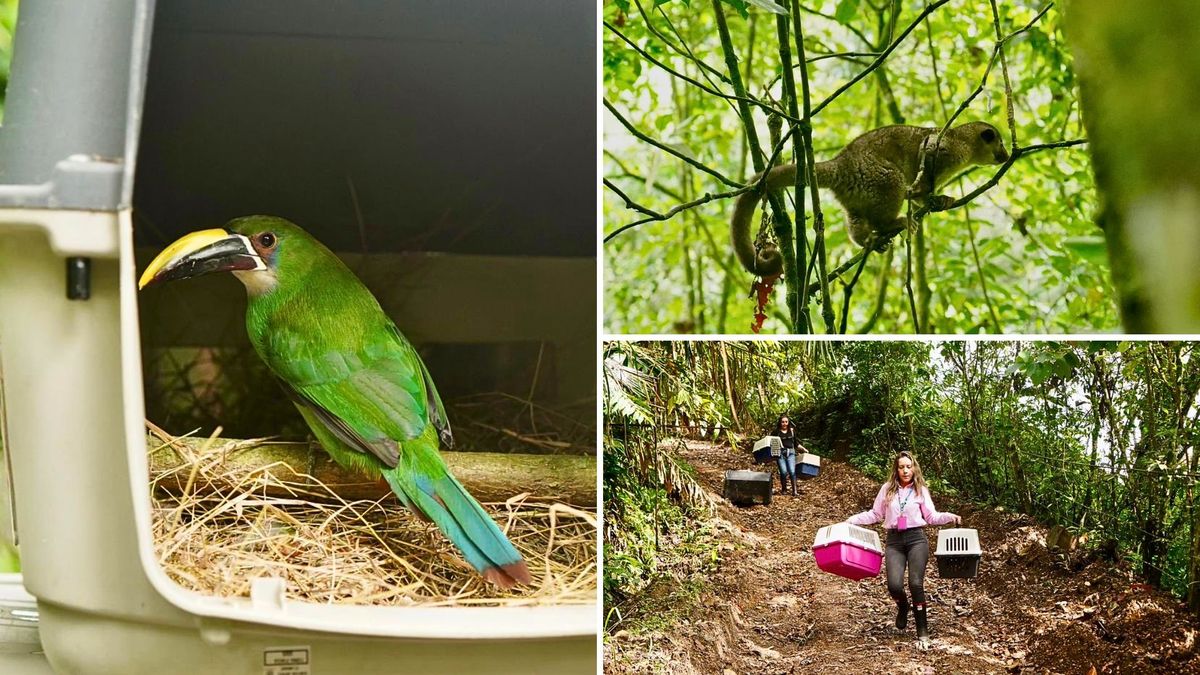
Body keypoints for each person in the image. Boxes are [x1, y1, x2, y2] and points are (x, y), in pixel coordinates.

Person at [845, 451, 961, 646]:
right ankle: (903, 606)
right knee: (894, 585)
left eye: (909, 466)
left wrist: (951, 516)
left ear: (914, 468)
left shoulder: (920, 490)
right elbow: (875, 514)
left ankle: (922, 630)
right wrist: (852, 520)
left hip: (917, 539)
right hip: (894, 541)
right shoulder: (887, 489)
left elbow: (932, 517)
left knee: (916, 583)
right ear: (896, 469)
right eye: (901, 467)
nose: (905, 471)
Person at [774, 415, 798, 496]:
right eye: (783, 422)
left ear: (788, 422)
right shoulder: (776, 432)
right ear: (780, 423)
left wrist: (804, 450)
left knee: (792, 471)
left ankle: (794, 491)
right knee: (783, 472)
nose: (784, 423)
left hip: (791, 452)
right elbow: (770, 442)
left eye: (786, 422)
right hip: (780, 453)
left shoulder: (792, 431)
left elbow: (796, 443)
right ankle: (784, 489)